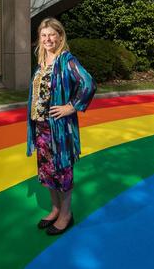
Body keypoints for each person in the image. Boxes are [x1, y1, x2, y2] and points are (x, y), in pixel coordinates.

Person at [27, 17, 96, 235]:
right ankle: (55, 209)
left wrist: (71, 106)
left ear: (60, 36)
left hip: (59, 128)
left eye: (51, 34)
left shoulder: (66, 60)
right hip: (41, 127)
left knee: (62, 171)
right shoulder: (41, 61)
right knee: (48, 170)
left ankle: (66, 214)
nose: (47, 39)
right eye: (43, 35)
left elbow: (88, 83)